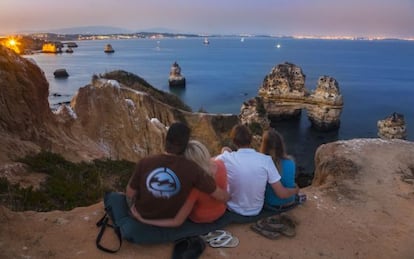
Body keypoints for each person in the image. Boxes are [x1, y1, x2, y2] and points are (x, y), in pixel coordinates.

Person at [126, 122, 229, 224]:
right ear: (185, 146)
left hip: (142, 213)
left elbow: (130, 193)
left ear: (165, 141)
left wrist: (135, 212)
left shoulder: (145, 162)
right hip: (172, 217)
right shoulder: (193, 169)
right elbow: (221, 196)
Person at [215, 124, 299, 216]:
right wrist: (295, 190)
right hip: (256, 210)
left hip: (233, 208)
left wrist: (225, 151)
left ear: (234, 141)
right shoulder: (266, 160)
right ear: (251, 139)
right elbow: (281, 193)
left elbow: (211, 164)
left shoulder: (227, 158)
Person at [260, 129, 304, 210]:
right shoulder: (290, 161)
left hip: (271, 205)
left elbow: (281, 194)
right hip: (290, 201)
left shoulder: (263, 163)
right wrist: (296, 190)